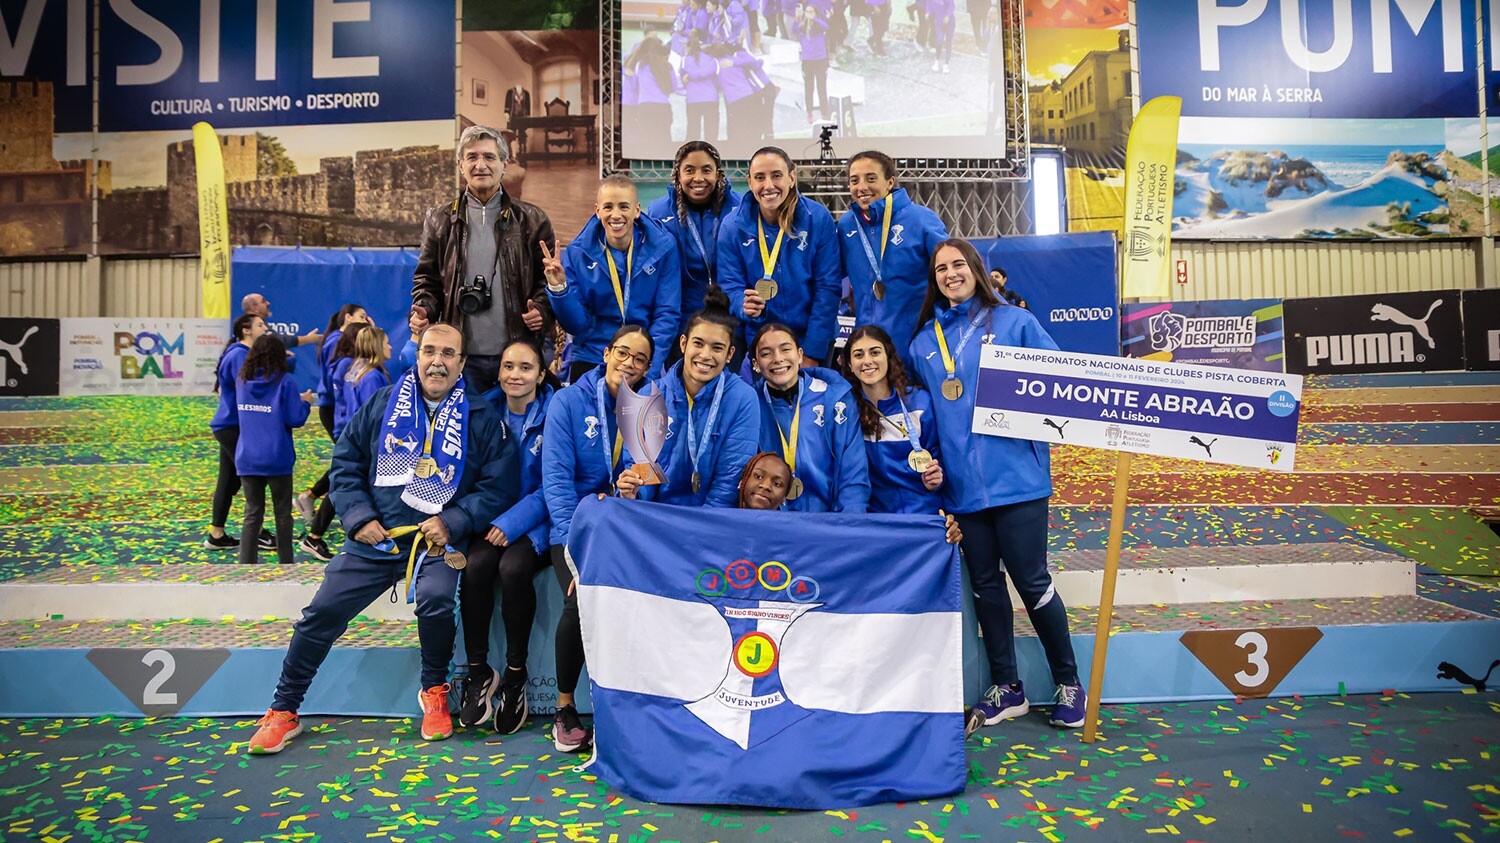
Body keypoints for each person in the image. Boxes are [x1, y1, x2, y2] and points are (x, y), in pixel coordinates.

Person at [248, 324, 520, 755]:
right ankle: (284, 708)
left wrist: (453, 520)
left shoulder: (481, 416)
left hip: (436, 542)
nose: (437, 361)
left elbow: (498, 487)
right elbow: (345, 464)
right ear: (416, 355)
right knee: (322, 611)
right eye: (429, 350)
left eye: (449, 353)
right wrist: (357, 519)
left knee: (435, 600)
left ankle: (434, 690)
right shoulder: (383, 403)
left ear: (462, 363)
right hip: (375, 537)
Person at [909, 237, 1088, 732]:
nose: (950, 274)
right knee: (987, 588)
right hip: (964, 489)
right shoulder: (924, 342)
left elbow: (1060, 387)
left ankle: (1069, 683)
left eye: (959, 264)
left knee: (1032, 582)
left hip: (1019, 482)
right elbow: (926, 418)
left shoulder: (1016, 323)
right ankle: (1008, 688)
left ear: (977, 270)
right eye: (941, 268)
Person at [541, 325, 654, 754]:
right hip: (574, 530)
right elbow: (556, 482)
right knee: (582, 597)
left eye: (639, 359)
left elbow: (648, 472)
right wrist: (578, 552)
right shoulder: (567, 402)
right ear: (606, 353)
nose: (628, 363)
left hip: (624, 528)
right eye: (622, 353)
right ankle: (565, 706)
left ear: (647, 368)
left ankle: (629, 706)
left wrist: (635, 487)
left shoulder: (647, 408)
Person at [461, 338, 559, 735]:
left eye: (524, 367)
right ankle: (479, 671)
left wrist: (513, 524)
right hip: (491, 518)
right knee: (476, 566)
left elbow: (554, 483)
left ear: (540, 373)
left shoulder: (557, 412)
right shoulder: (481, 409)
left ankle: (516, 674)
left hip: (538, 519)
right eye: (508, 366)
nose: (515, 375)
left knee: (514, 568)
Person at [412, 125, 556, 394]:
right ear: (460, 165)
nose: (481, 165)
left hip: (516, 356)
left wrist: (541, 309)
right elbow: (427, 280)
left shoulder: (533, 220)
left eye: (489, 157)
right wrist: (424, 309)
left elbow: (547, 281)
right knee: (467, 434)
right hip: (460, 358)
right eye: (472, 157)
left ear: (504, 164)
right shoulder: (438, 220)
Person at [544, 174, 681, 380]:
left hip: (641, 358)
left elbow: (666, 315)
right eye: (608, 207)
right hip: (593, 356)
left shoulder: (663, 248)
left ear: (636, 210)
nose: (616, 215)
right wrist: (559, 290)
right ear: (597, 211)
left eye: (623, 207)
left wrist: (648, 366)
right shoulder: (577, 253)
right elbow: (576, 326)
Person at [717, 147, 841, 366]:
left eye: (776, 175)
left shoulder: (817, 219)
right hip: (764, 340)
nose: (768, 185)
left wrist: (812, 352)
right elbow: (730, 285)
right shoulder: (732, 226)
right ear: (749, 182)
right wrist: (741, 304)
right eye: (759, 177)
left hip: (811, 339)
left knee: (812, 401)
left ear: (792, 178)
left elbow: (827, 288)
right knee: (768, 400)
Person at [838, 150, 949, 370]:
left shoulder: (920, 219)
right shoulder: (847, 224)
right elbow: (825, 277)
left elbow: (956, 269)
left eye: (871, 178)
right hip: (869, 351)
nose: (862, 187)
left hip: (915, 345)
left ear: (890, 182)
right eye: (854, 180)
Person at [652, 290, 760, 507]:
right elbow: (642, 468)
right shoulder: (651, 395)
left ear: (730, 354)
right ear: (683, 344)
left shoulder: (743, 398)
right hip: (656, 518)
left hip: (712, 521)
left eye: (717, 348)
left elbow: (730, 479)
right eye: (698, 344)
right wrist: (633, 492)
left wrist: (702, 527)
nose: (705, 355)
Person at [749, 323, 868, 513]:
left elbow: (853, 475)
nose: (778, 359)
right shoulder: (750, 405)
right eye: (766, 354)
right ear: (755, 364)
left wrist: (848, 526)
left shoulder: (835, 398)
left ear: (800, 355)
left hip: (828, 524)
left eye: (785, 349)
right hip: (770, 524)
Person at [737, 451, 962, 546]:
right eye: (757, 477)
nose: (765, 486)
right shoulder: (718, 524)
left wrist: (940, 530)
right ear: (742, 480)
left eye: (778, 484)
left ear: (786, 496)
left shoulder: (797, 538)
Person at [838, 325, 943, 514]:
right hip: (876, 522)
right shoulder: (845, 412)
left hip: (923, 515)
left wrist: (936, 478)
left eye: (875, 352)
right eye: (859, 355)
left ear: (888, 356)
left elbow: (939, 457)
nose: (867, 361)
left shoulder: (920, 402)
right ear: (849, 365)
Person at [646, 141, 741, 345]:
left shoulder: (740, 208)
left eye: (706, 170)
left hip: (729, 319)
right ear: (678, 175)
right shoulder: (658, 212)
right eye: (689, 170)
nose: (698, 178)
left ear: (718, 173)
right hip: (682, 321)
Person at [234, 334, 316, 566]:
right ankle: (286, 563)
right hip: (276, 457)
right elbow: (295, 418)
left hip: (248, 457)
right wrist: (306, 402)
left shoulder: (242, 380)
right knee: (282, 514)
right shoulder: (285, 381)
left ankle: (246, 565)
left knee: (252, 514)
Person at [296, 303, 369, 560]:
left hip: (340, 414)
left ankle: (312, 498)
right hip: (337, 412)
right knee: (346, 471)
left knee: (345, 468)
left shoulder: (349, 357)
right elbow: (340, 387)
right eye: (362, 318)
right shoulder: (345, 354)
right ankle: (315, 532)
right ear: (347, 318)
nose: (367, 322)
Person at [207, 314, 272, 551]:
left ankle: (217, 534)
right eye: (260, 325)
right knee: (254, 477)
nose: (265, 328)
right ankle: (257, 531)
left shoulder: (243, 354)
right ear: (246, 330)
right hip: (233, 425)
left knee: (228, 479)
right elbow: (249, 391)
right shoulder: (239, 355)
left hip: (231, 425)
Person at [337, 325, 392, 438]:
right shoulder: (372, 377)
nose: (390, 347)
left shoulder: (355, 371)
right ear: (377, 347)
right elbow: (375, 416)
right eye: (386, 343)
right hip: (366, 440)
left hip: (354, 435)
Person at [241, 293, 321, 353]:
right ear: (255, 308)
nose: (268, 303)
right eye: (263, 301)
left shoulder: (257, 323)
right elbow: (278, 341)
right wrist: (308, 339)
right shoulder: (250, 325)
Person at [790, 3, 830, 122]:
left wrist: (815, 19)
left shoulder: (819, 26)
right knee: (809, 88)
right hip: (807, 61)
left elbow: (826, 26)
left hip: (820, 60)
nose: (808, 14)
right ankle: (810, 113)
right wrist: (796, 19)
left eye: (811, 11)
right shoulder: (803, 26)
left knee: (821, 87)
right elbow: (794, 30)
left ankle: (824, 113)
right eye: (807, 11)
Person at [681, 35, 720, 143]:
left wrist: (690, 77)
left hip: (693, 99)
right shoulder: (712, 60)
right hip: (711, 98)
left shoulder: (685, 60)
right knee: (711, 133)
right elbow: (717, 79)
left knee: (692, 132)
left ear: (689, 47)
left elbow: (683, 79)